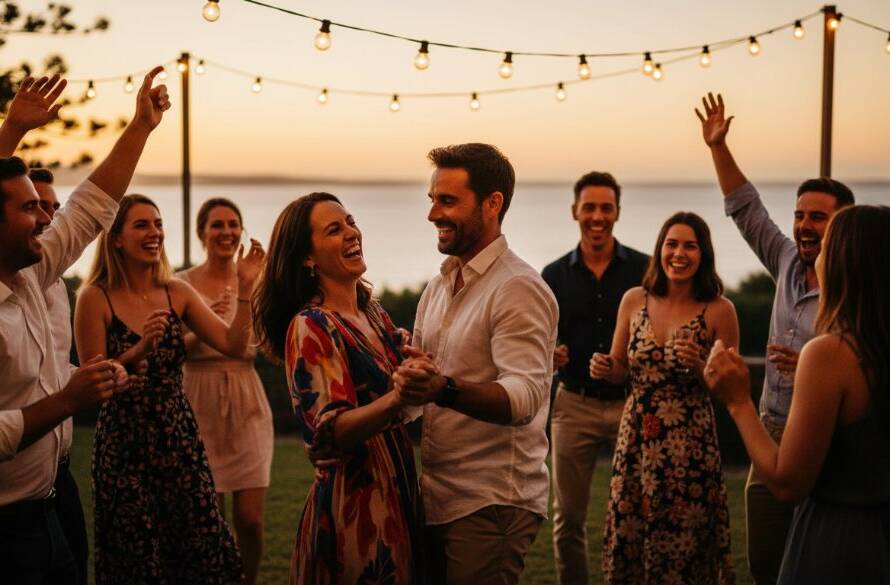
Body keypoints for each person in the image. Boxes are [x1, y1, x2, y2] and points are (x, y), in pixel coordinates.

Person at [0, 68, 169, 584]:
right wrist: (68, 401)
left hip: (50, 506)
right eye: (31, 208)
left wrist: (140, 127)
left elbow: (89, 208)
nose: (48, 218)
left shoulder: (32, 272)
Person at [695, 92, 855, 585]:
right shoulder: (785, 260)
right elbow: (747, 210)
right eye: (800, 215)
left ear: (842, 227)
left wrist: (810, 364)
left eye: (818, 217)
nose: (804, 226)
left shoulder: (857, 289)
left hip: (829, 448)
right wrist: (718, 146)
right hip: (767, 437)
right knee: (767, 567)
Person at [74, 194, 265, 584]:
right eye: (142, 225)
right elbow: (90, 382)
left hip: (178, 440)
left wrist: (245, 290)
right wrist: (141, 348)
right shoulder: (95, 297)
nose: (154, 233)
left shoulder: (175, 291)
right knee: (137, 555)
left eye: (158, 224)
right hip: (123, 446)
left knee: (200, 549)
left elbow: (232, 343)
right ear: (116, 239)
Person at [392, 143, 558, 585]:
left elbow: (523, 398)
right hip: (436, 497)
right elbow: (419, 392)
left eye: (447, 201)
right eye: (432, 200)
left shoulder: (518, 288)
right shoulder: (440, 285)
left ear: (492, 204)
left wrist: (441, 388)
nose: (432, 214)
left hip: (492, 504)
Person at [705, 204, 890, 584]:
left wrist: (738, 400)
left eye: (825, 249)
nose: (816, 257)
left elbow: (788, 483)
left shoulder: (830, 354)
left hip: (837, 544)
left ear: (843, 263)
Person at [252, 192, 425, 584]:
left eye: (350, 221)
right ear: (307, 258)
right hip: (357, 507)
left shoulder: (374, 314)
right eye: (334, 229)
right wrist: (399, 396)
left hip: (399, 491)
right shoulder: (311, 325)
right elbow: (331, 430)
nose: (352, 233)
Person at [593, 212, 737, 584]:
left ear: (703, 254)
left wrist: (703, 364)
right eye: (671, 244)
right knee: (632, 530)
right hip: (637, 437)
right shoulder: (633, 300)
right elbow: (621, 367)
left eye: (690, 245)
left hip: (689, 444)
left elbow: (731, 389)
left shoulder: (721, 310)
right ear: (660, 250)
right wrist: (605, 368)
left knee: (684, 540)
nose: (679, 253)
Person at [542, 171, 648, 585]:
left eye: (606, 207)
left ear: (617, 212)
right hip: (573, 405)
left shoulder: (645, 269)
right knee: (567, 518)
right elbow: (540, 338)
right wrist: (550, 352)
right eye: (590, 207)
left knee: (638, 511)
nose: (598, 216)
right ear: (575, 212)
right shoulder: (553, 275)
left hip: (632, 403)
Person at [177, 198, 274, 585]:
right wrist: (208, 325)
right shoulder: (181, 283)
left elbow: (262, 346)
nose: (227, 232)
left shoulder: (254, 279)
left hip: (245, 395)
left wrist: (243, 312)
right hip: (197, 396)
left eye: (234, 224)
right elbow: (170, 347)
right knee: (209, 521)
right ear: (201, 233)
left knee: (250, 520)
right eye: (217, 225)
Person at [29, 167, 90, 585]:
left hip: (60, 471)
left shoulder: (56, 288)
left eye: (55, 207)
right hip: (19, 488)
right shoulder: (21, 283)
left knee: (77, 566)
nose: (49, 218)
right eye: (37, 207)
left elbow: (52, 369)